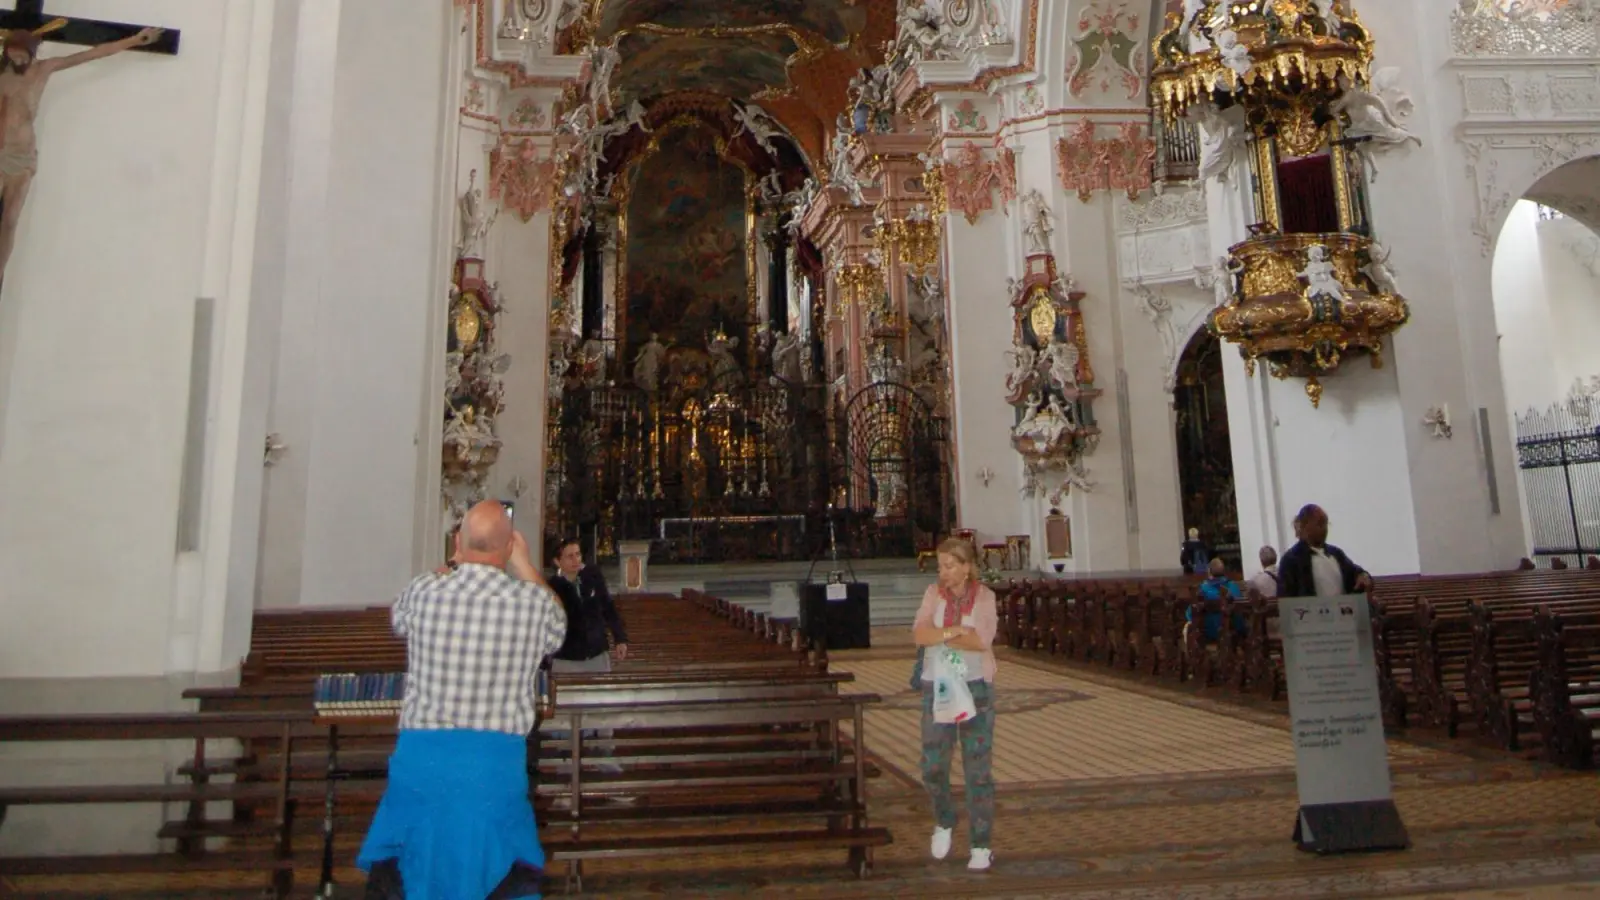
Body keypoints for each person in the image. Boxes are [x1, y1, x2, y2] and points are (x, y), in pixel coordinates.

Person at [358, 500, 566, 900]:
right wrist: (524, 566)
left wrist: (453, 562)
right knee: (496, 872)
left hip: (421, 762)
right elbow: (559, 625)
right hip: (492, 766)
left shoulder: (422, 591)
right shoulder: (535, 603)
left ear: (458, 542)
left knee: (413, 872)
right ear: (509, 547)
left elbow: (399, 618)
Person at [0, 26, 164, 285]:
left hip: (21, 157)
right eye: (13, 53)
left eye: (22, 54)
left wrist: (133, 40)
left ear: (32, 53)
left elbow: (90, 55)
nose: (18, 59)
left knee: (9, 220)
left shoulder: (43, 70)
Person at [911, 538, 998, 872]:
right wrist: (954, 631)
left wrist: (942, 633)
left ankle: (981, 843)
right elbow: (920, 634)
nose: (943, 572)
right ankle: (944, 819)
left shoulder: (985, 597)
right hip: (937, 686)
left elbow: (980, 640)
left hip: (976, 688)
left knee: (978, 770)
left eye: (949, 566)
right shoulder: (932, 594)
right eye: (940, 566)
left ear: (966, 567)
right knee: (933, 765)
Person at [547, 539, 631, 774]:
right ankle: (566, 762)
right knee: (565, 713)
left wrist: (620, 637)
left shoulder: (592, 576)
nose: (576, 560)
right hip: (567, 657)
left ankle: (604, 755)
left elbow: (608, 608)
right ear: (557, 561)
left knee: (603, 708)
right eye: (570, 556)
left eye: (578, 554)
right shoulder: (552, 586)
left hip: (596, 653)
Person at [1278, 503, 1373, 598]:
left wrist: (1363, 576)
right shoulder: (1291, 559)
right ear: (1304, 525)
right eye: (1320, 524)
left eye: (1326, 524)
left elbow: (1356, 572)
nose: (1325, 529)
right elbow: (1286, 598)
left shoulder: (1336, 554)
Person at [1189, 558, 1244, 641]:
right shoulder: (1233, 586)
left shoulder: (1203, 589)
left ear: (1209, 572)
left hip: (1211, 632)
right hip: (1234, 631)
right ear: (1224, 571)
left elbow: (1191, 613)